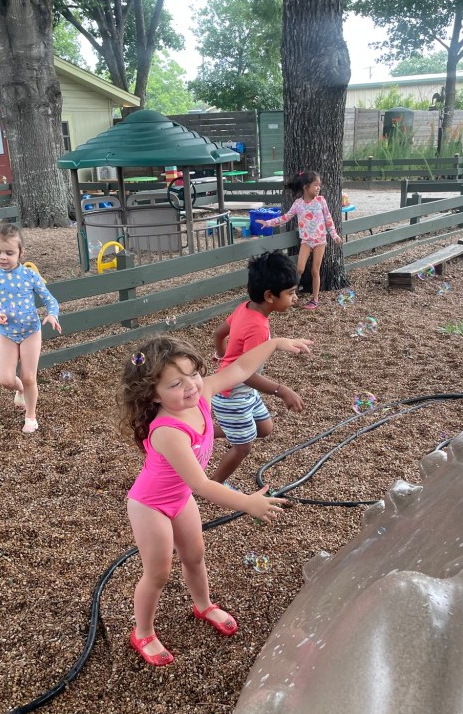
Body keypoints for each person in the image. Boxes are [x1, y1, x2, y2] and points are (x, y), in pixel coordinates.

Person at [118, 332, 313, 666]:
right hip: (150, 506)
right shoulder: (167, 430)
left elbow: (239, 369)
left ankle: (204, 605)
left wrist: (274, 343)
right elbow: (201, 483)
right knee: (158, 573)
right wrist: (246, 502)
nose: (191, 386)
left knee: (195, 556)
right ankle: (143, 632)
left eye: (193, 374)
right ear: (153, 394)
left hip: (179, 499)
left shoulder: (201, 394)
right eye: (176, 383)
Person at [210, 251, 304, 486]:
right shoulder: (258, 328)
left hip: (243, 390)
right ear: (270, 296)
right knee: (243, 446)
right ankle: (215, 484)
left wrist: (222, 356)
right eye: (291, 293)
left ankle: (208, 431)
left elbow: (219, 333)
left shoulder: (245, 307)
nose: (295, 298)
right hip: (232, 394)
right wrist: (282, 390)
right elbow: (246, 374)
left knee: (264, 428)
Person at [0, 221, 61, 433]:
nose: (3, 257)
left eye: (9, 253)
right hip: (6, 333)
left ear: (20, 253)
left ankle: (30, 416)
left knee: (29, 376)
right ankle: (21, 389)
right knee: (5, 379)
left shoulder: (29, 275)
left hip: (30, 331)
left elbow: (50, 299)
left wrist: (52, 314)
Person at [259, 170, 342, 310]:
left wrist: (335, 235)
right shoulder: (298, 204)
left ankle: (315, 299)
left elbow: (328, 220)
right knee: (299, 269)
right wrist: (268, 223)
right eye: (316, 185)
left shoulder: (321, 201)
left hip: (320, 240)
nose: (318, 188)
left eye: (319, 185)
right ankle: (292, 295)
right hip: (306, 241)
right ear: (306, 187)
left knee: (315, 270)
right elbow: (285, 217)